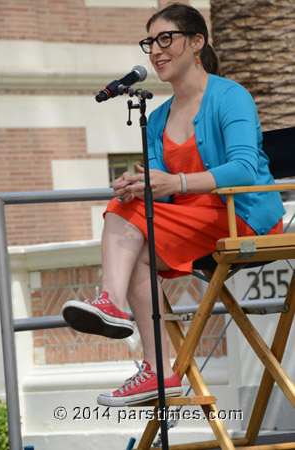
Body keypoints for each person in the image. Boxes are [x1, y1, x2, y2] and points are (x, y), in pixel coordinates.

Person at [62, 2, 285, 407]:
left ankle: (121, 320)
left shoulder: (230, 96)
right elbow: (159, 188)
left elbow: (244, 170)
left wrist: (174, 181)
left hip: (243, 218)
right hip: (193, 219)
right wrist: (139, 185)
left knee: (127, 223)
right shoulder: (159, 115)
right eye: (150, 42)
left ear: (197, 42)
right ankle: (157, 371)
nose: (156, 51)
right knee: (128, 221)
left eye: (167, 39)